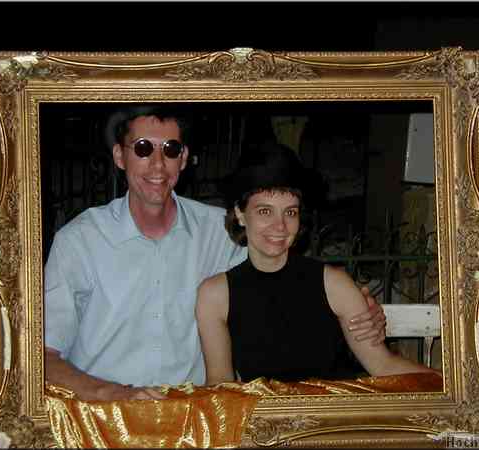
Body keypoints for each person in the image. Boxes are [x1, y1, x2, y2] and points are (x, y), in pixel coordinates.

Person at [44, 105, 387, 401]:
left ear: (184, 158)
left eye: (171, 149)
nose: (158, 165)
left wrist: (358, 309)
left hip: (196, 415)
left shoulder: (222, 232)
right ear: (120, 156)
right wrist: (111, 393)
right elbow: (41, 356)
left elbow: (286, 280)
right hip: (104, 415)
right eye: (144, 148)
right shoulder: (79, 241)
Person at [196, 142, 439, 384]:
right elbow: (220, 384)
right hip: (263, 410)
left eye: (290, 212)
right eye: (265, 211)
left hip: (333, 407)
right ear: (240, 214)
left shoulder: (333, 283)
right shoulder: (215, 295)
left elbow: (382, 365)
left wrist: (452, 387)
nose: (280, 226)